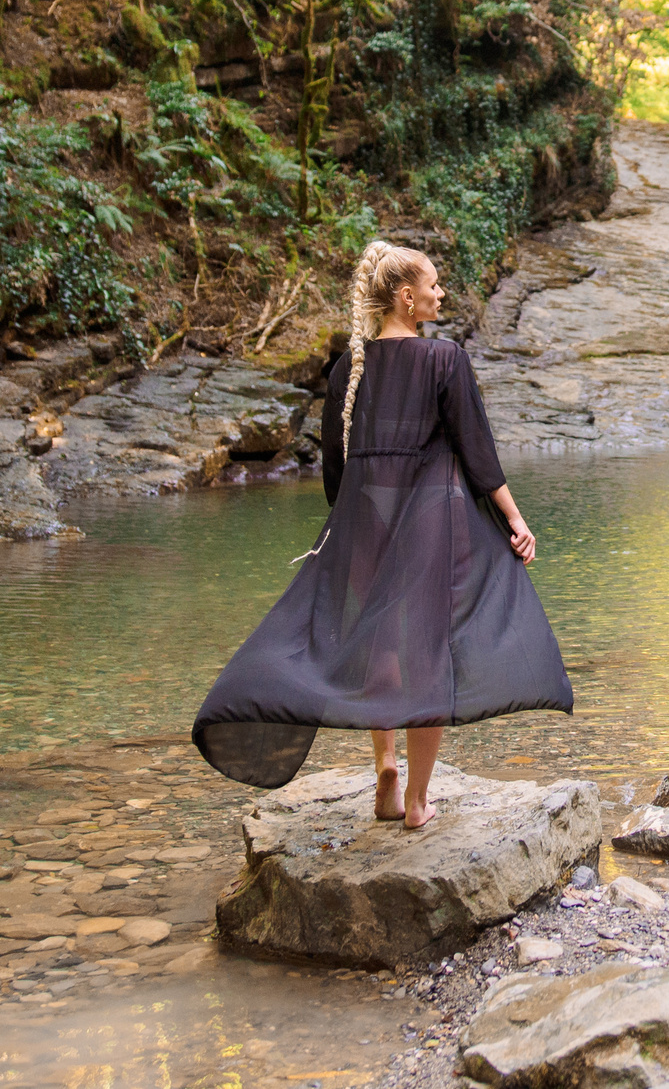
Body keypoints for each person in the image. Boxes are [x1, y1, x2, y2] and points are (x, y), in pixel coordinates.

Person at [191, 240, 572, 826]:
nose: (441, 293)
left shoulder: (349, 367)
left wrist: (348, 527)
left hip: (365, 518)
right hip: (433, 521)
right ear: (406, 297)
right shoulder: (445, 359)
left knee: (380, 644)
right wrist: (514, 521)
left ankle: (385, 770)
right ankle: (418, 801)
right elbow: (477, 451)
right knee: (427, 653)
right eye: (434, 285)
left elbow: (336, 464)